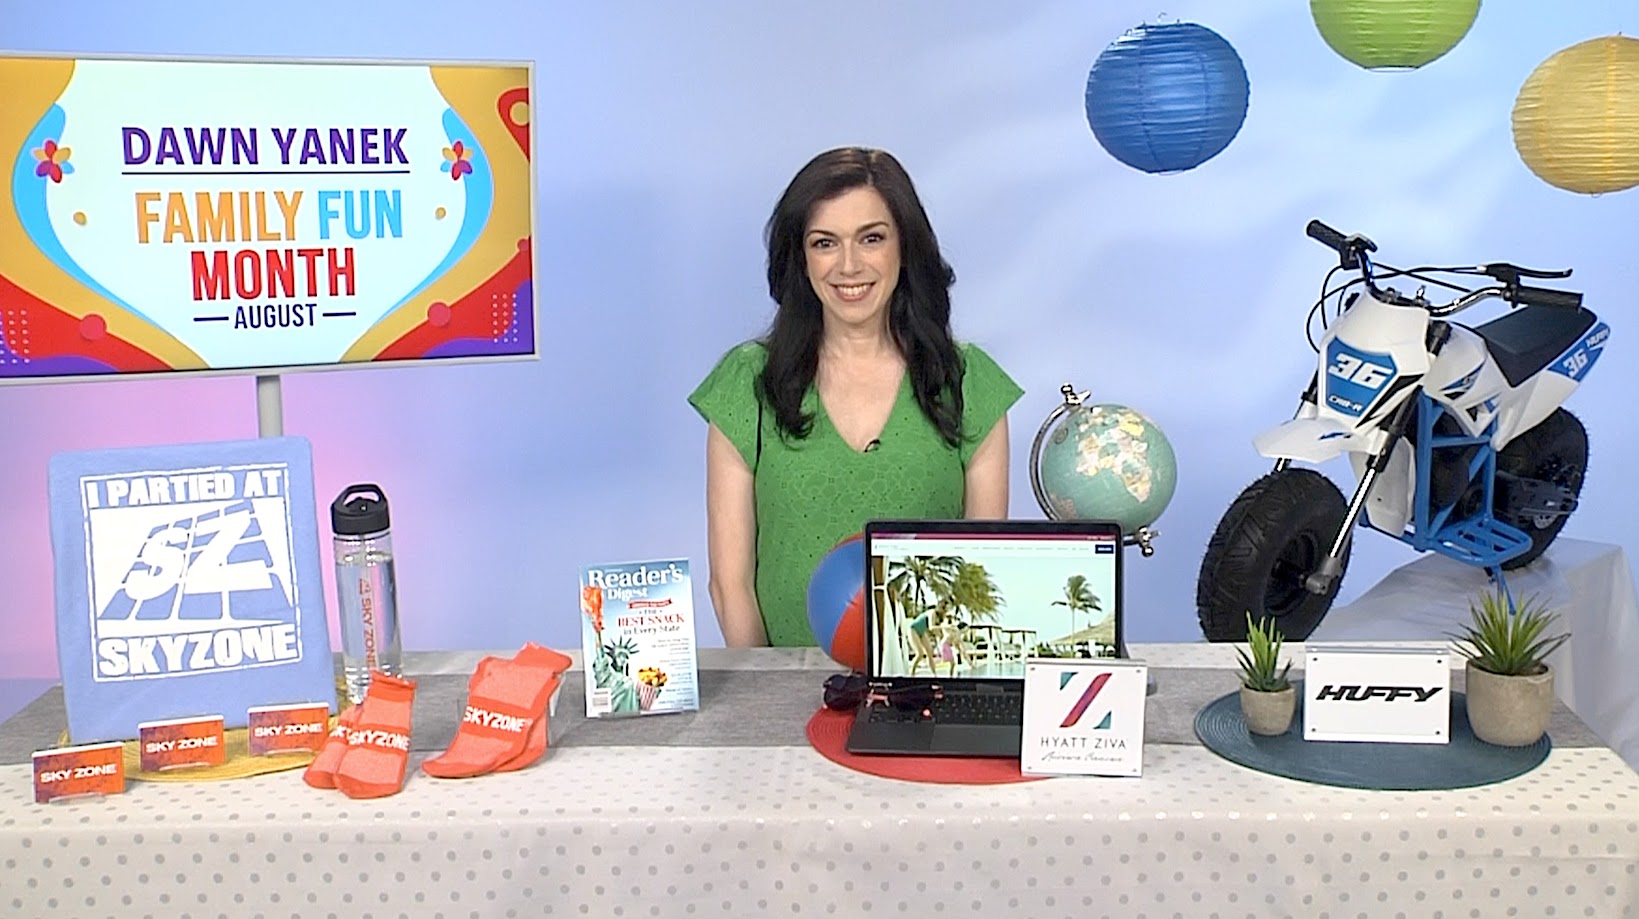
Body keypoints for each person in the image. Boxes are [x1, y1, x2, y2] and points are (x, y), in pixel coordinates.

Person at [688, 147, 1023, 647]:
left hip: (927, 681)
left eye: (871, 238)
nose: (849, 265)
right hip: (784, 685)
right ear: (801, 258)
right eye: (825, 243)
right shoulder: (747, 382)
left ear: (904, 246)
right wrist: (766, 690)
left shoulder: (969, 381)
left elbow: (979, 575)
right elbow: (729, 586)